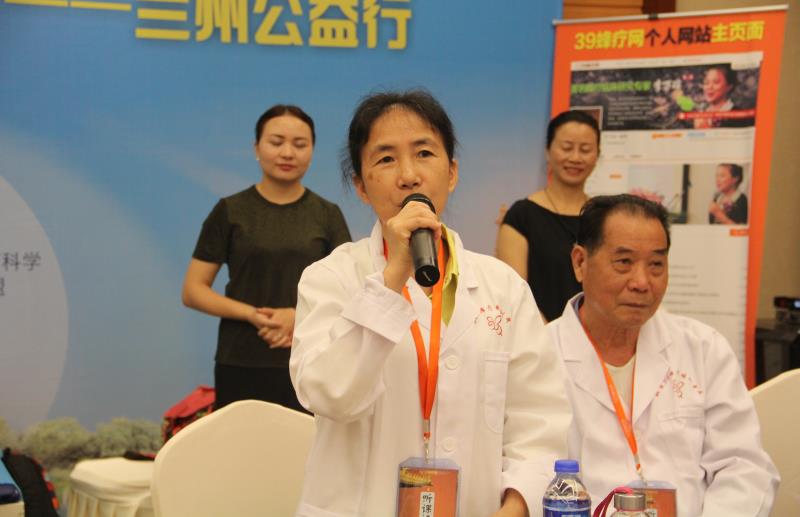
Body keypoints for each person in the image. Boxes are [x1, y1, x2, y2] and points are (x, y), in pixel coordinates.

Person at [290, 90, 571, 516]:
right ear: (361, 186)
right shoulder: (330, 279)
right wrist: (391, 279)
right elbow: (330, 394)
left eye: (424, 153)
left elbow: (540, 422)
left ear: (452, 172)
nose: (408, 175)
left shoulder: (504, 288)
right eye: (386, 159)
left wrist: (516, 506)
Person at [547, 194, 778, 516]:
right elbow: (527, 470)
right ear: (580, 262)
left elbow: (744, 467)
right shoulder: (541, 355)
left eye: (656, 264)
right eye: (624, 262)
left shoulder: (703, 349)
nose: (642, 282)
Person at [182, 104, 351, 412]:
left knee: (303, 442)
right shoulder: (230, 211)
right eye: (276, 142)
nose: (287, 153)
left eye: (299, 144)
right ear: (256, 148)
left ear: (312, 151)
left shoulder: (327, 215)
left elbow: (349, 290)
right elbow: (193, 290)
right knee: (240, 441)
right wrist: (252, 314)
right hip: (240, 359)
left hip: (310, 357)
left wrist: (296, 315)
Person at [496, 110, 600, 322]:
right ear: (547, 151)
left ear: (597, 155)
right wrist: (551, 336)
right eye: (567, 147)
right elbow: (515, 294)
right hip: (538, 334)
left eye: (585, 149)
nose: (575, 158)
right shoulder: (521, 216)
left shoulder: (602, 218)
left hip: (593, 337)